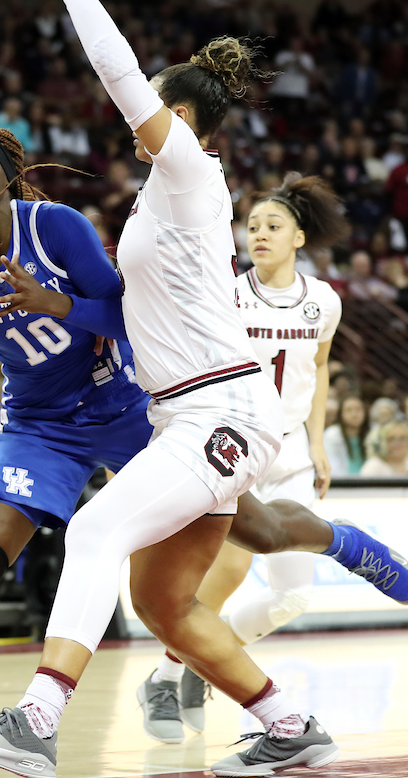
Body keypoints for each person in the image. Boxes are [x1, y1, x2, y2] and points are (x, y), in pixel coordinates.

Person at [0, 122, 408, 777]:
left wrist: (56, 303)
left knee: (255, 528)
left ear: (10, 170)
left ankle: (342, 542)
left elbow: (126, 316)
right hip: (37, 425)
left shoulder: (55, 228)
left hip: (122, 404)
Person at [0, 0, 408, 778]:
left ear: (181, 115)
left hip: (221, 412)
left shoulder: (191, 170)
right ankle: (290, 723)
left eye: (154, 106)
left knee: (93, 531)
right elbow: (125, 311)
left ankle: (37, 720)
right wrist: (52, 303)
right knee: (163, 603)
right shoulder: (156, 198)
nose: (134, 122)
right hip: (185, 414)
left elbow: (117, 71)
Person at [136, 175, 383, 744]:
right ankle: (172, 673)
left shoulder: (324, 300)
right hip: (232, 442)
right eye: (252, 227)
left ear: (299, 237)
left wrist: (319, 442)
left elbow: (317, 371)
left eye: (273, 227)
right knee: (223, 572)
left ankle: (188, 665)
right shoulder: (225, 292)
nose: (260, 235)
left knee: (292, 594)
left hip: (290, 445)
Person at [325, 396, 367, 475]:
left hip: (370, 482)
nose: (354, 414)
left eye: (358, 409)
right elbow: (331, 465)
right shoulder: (332, 434)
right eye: (349, 410)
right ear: (341, 414)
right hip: (342, 482)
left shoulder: (370, 434)